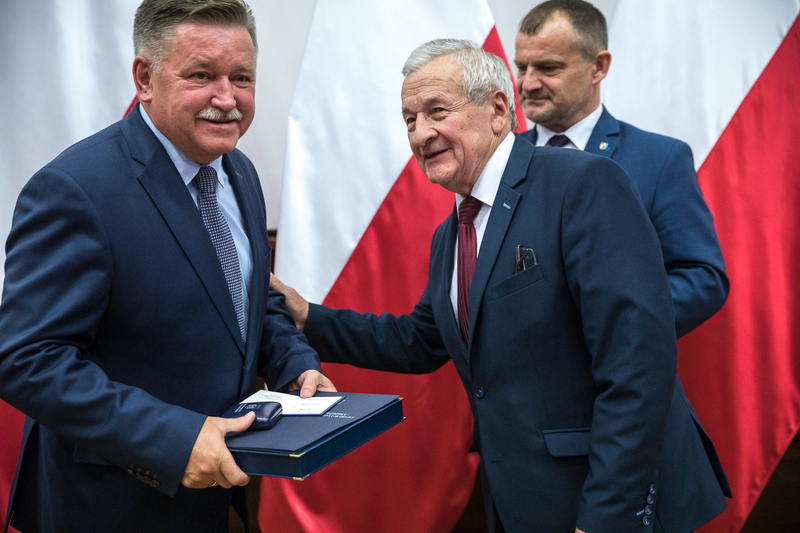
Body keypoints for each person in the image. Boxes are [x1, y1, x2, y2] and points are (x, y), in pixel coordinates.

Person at [270, 39, 731, 532]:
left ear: (496, 110)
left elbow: (637, 366)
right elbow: (419, 340)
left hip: (602, 501)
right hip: (519, 501)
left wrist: (604, 519)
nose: (421, 133)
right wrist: (307, 316)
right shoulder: (452, 232)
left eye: (437, 111)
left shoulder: (583, 183)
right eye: (409, 119)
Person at [0, 1, 335, 531]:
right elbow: (26, 359)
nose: (226, 99)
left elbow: (245, 298)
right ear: (145, 79)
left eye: (241, 78)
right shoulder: (75, 189)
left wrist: (295, 363)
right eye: (201, 75)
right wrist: (175, 440)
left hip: (217, 499)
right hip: (110, 508)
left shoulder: (239, 171)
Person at [515, 0, 728, 338]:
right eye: (521, 67)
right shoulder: (498, 159)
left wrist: (612, 325)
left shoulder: (658, 159)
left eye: (548, 68)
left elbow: (702, 278)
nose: (528, 84)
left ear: (598, 67)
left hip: (613, 367)